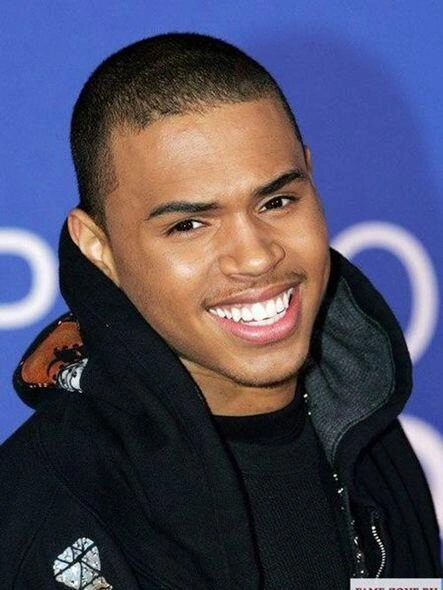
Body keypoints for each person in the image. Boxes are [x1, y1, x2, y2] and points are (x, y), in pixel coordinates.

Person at [0, 33, 440, 589]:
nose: (255, 257)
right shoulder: (45, 519)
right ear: (98, 247)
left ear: (311, 178)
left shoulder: (368, 439)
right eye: (189, 225)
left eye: (277, 201)